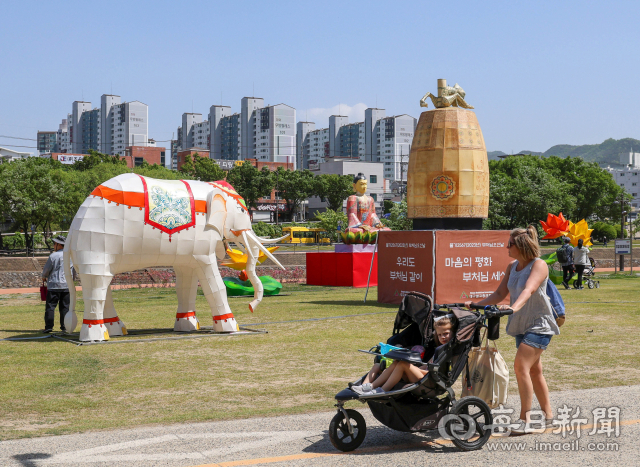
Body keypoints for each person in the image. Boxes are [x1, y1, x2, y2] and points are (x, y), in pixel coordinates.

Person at [464, 226, 559, 435]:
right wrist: (476, 304)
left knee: (520, 367)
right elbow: (499, 293)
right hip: (521, 325)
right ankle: (549, 417)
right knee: (534, 371)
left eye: (510, 244)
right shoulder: (512, 266)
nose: (506, 246)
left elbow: (529, 289)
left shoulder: (539, 265)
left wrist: (514, 307)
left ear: (522, 245)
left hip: (539, 324)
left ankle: (526, 420)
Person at [353, 317, 453, 394]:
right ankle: (367, 387)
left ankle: (381, 390)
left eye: (446, 333)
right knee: (397, 362)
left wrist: (414, 369)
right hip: (426, 375)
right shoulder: (439, 349)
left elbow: (433, 371)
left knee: (403, 364)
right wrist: (415, 368)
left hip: (432, 381)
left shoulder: (448, 352)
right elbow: (427, 365)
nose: (442, 337)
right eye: (439, 335)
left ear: (453, 333)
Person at [41, 235, 73, 333]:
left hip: (54, 285)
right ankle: (64, 326)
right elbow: (73, 271)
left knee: (50, 307)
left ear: (59, 245)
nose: (54, 245)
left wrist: (44, 276)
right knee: (65, 307)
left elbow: (46, 270)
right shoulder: (70, 256)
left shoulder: (53, 256)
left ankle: (49, 326)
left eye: (55, 243)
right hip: (67, 285)